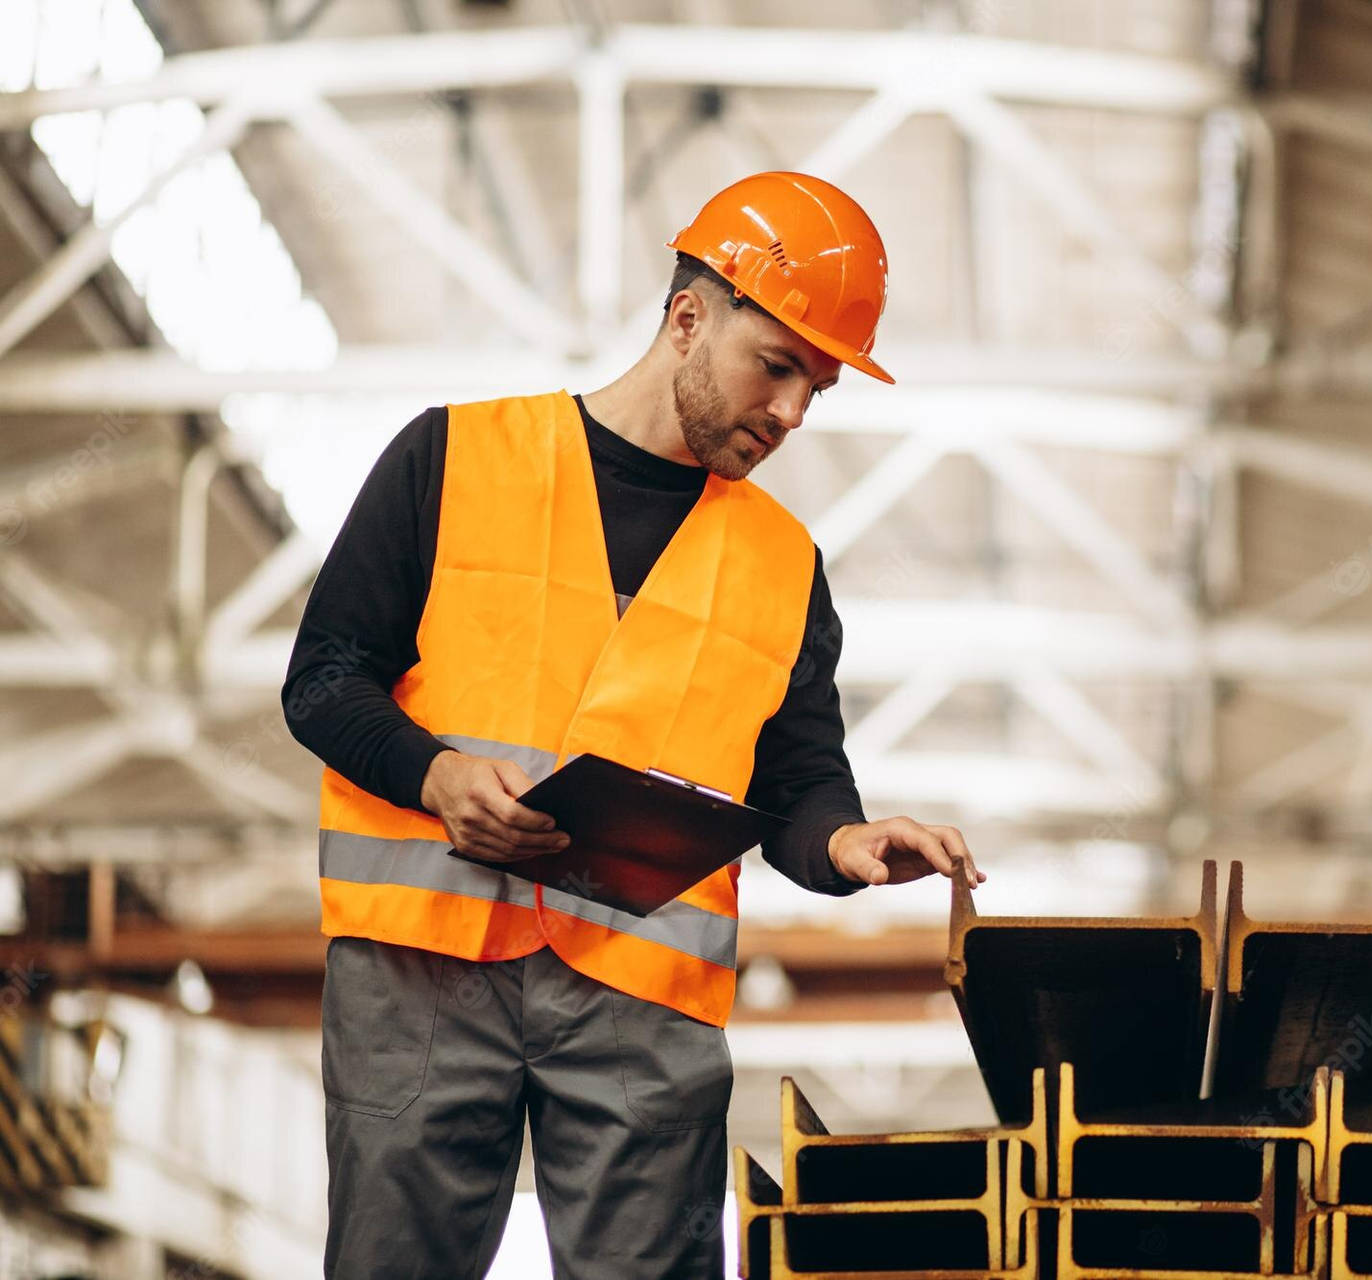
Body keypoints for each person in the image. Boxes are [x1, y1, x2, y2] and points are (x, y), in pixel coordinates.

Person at [282, 171, 983, 1279]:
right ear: (689, 317)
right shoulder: (451, 457)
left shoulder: (784, 566)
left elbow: (799, 780)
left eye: (821, 387)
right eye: (779, 365)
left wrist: (843, 844)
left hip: (640, 998)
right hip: (423, 970)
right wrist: (434, 774)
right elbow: (323, 678)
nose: (794, 412)